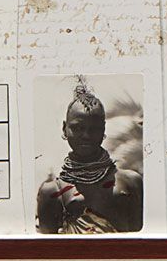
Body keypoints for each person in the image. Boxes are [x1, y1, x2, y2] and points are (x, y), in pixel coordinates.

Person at [35, 82, 141, 233]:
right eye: (78, 128)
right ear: (64, 129)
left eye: (94, 129)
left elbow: (141, 241)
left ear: (103, 130)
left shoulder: (131, 182)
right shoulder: (52, 191)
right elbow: (47, 247)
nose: (86, 135)